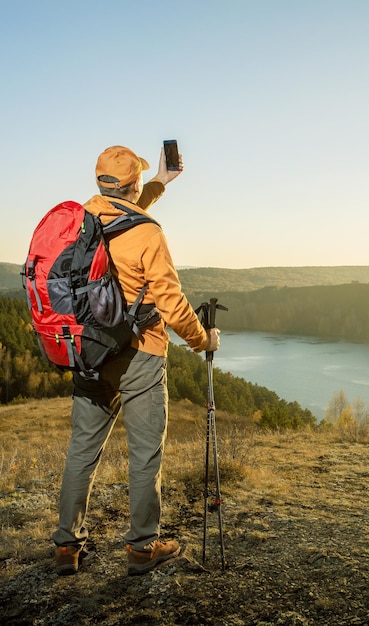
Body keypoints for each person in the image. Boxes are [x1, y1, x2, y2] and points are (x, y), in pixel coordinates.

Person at [52, 144, 220, 576]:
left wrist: (161, 183)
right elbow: (172, 303)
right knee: (144, 454)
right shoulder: (147, 233)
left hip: (89, 350)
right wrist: (203, 340)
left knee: (82, 450)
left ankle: (67, 547)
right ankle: (142, 548)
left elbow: (123, 215)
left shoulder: (81, 220)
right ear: (132, 183)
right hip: (141, 352)